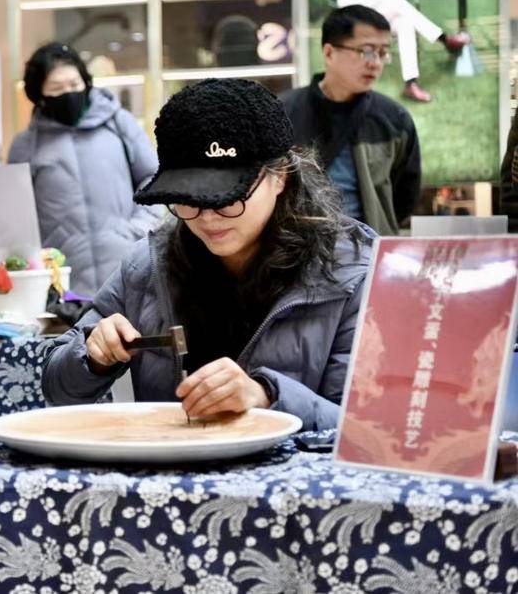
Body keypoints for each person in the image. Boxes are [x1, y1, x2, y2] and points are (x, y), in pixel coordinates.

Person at [42, 78, 373, 432]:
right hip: (168, 482)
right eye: (187, 198)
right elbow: (57, 390)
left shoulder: (352, 272)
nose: (207, 216)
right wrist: (92, 357)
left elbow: (369, 432)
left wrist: (268, 397)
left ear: (281, 177)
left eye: (229, 197)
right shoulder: (148, 265)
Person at [7, 43, 163, 296]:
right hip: (63, 281)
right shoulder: (26, 144)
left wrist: (137, 228)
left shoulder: (118, 123)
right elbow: (15, 212)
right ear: (40, 96)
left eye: (74, 84)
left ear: (86, 82)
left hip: (128, 268)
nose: (68, 93)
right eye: (56, 88)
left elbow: (154, 177)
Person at [280, 5, 421, 236]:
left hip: (369, 256)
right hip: (296, 256)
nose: (375, 63)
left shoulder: (395, 120)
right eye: (366, 51)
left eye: (383, 52)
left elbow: (404, 198)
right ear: (329, 53)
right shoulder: (285, 113)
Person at [336, 0, 469, 103]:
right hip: (360, 22)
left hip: (384, 20)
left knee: (406, 23)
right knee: (397, 3)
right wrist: (372, 2)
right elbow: (343, 3)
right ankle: (445, 40)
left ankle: (410, 83)